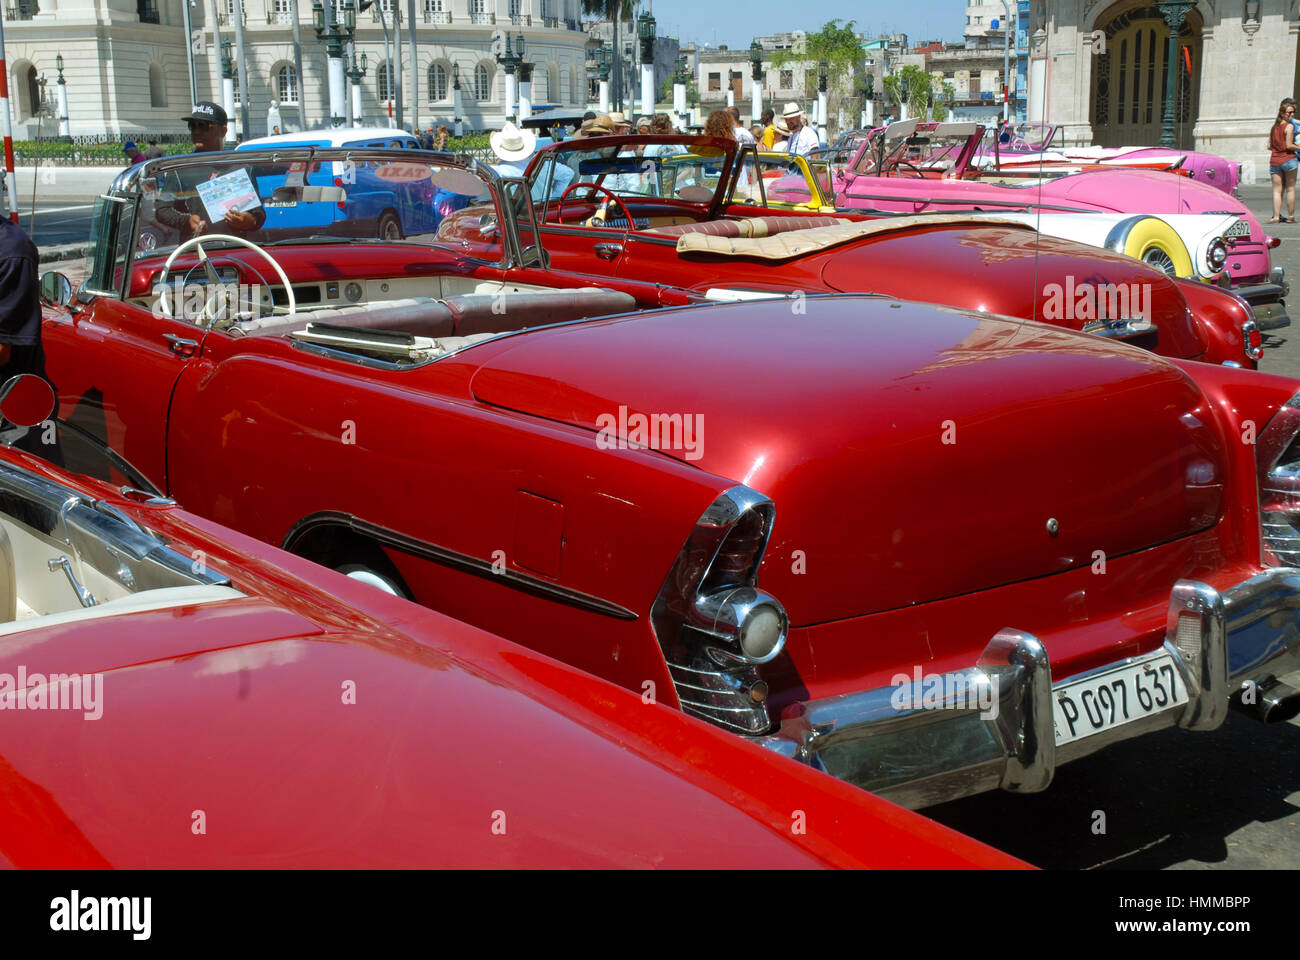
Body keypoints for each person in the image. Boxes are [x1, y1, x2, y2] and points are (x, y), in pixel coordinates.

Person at [153, 102, 266, 241]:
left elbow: (259, 214)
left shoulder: (241, 167)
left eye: (203, 126)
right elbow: (162, 210)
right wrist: (186, 221)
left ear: (223, 131)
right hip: (195, 252)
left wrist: (249, 221)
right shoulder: (180, 169)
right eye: (192, 126)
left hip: (235, 249)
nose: (196, 131)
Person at [1269, 98, 1298, 223]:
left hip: (1275, 160)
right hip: (1289, 160)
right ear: (1282, 113)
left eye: (1293, 112)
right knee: (1290, 189)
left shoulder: (1274, 127)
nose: (1291, 115)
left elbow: (1269, 146)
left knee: (1277, 190)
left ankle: (1276, 216)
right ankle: (1291, 216)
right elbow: (1289, 145)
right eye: (1289, 112)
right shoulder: (1289, 126)